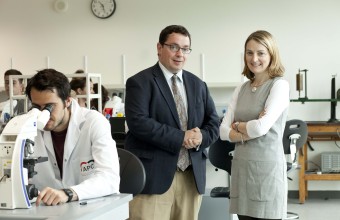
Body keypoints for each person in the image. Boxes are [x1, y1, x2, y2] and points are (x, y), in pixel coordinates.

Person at [124, 25, 220, 220]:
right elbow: (138, 123)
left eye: (185, 49)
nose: (180, 54)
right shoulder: (139, 82)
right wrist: (181, 137)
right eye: (174, 47)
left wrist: (200, 137)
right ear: (159, 48)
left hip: (191, 178)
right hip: (153, 179)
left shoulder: (198, 84)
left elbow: (213, 123)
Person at [219, 30, 290, 220]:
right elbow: (223, 132)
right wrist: (248, 127)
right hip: (242, 169)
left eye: (261, 53)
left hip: (267, 172)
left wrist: (238, 125)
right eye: (249, 53)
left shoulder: (279, 86)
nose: (254, 58)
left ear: (271, 55)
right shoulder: (241, 88)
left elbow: (261, 128)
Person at [25, 69, 120, 206]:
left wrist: (68, 193)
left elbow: (109, 178)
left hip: (91, 208)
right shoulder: (29, 128)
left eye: (49, 107)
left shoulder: (94, 122)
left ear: (68, 101)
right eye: (36, 107)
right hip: (47, 210)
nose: (43, 114)